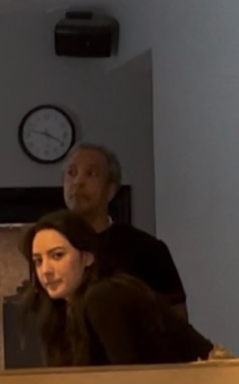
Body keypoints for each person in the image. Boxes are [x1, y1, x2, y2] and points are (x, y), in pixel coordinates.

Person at [22, 210, 213, 367]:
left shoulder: (103, 296)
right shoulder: (60, 311)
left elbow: (127, 380)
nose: (45, 270)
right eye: (38, 261)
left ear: (87, 257)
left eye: (57, 256)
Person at [62, 143, 188, 314]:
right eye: (71, 173)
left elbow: (177, 319)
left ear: (110, 190)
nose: (78, 182)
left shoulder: (147, 249)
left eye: (91, 174)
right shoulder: (47, 249)